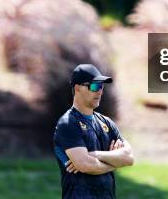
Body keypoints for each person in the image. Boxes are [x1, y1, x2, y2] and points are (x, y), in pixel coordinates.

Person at [53, 64, 135, 199]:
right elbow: (85, 165)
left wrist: (94, 154)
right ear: (77, 88)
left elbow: (129, 158)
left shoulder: (107, 123)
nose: (100, 92)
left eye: (101, 86)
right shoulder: (67, 123)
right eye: (94, 86)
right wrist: (114, 162)